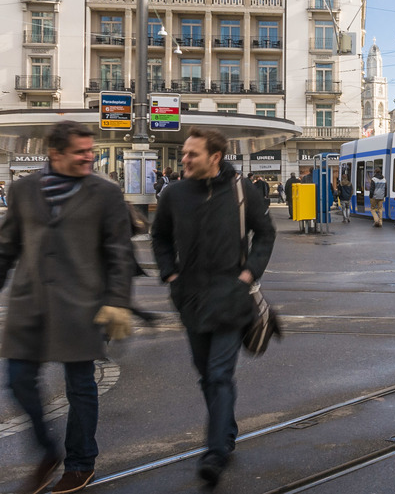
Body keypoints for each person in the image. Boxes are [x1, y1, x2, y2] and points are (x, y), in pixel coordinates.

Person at [0, 120, 134, 494]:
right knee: (18, 382)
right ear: (55, 154)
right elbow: (7, 247)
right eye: (80, 152)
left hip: (82, 305)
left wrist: (117, 302)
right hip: (30, 304)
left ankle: (80, 463)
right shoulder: (23, 189)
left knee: (80, 386)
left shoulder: (105, 193)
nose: (88, 157)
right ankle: (47, 453)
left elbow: (119, 253)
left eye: (90, 151)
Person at [150, 127, 275, 487]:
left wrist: (249, 274)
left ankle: (216, 452)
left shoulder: (241, 190)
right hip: (189, 299)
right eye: (184, 154)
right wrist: (170, 274)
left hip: (231, 298)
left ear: (214, 158)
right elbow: (159, 236)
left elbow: (265, 233)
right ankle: (227, 428)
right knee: (206, 373)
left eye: (192, 154)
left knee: (219, 374)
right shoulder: (174, 194)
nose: (184, 160)